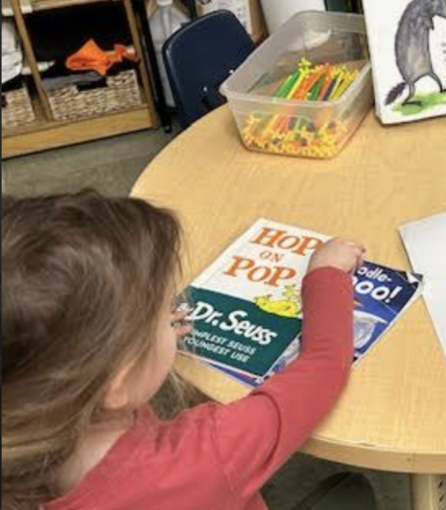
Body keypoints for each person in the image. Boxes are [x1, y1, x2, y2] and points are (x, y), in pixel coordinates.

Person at [0, 191, 376, 510]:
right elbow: (324, 365)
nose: (174, 312)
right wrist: (326, 274)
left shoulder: (24, 437)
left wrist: (148, 338)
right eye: (163, 310)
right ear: (119, 381)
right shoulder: (210, 451)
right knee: (356, 489)